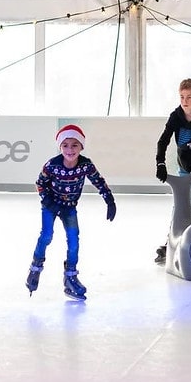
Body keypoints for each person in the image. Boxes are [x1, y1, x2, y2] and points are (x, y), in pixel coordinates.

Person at [26, 124, 116, 301]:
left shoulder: (85, 165)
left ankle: (70, 277)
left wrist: (109, 199)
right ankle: (35, 269)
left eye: (75, 145)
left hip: (69, 207)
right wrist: (47, 201)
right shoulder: (52, 165)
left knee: (74, 240)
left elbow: (98, 181)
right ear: (60, 147)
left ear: (81, 147)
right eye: (65, 145)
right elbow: (40, 183)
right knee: (46, 235)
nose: (70, 149)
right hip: (51, 205)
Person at [153, 78, 191, 264]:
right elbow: (162, 141)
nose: (185, 101)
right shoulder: (176, 116)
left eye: (189, 97)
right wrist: (160, 163)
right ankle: (172, 240)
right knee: (180, 202)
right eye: (182, 97)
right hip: (183, 165)